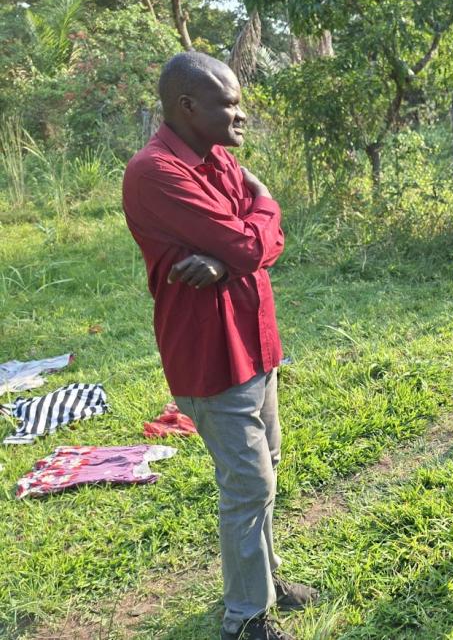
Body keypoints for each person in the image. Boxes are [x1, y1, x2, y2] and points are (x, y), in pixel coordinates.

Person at [123, 52, 315, 640]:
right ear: (187, 107)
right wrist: (263, 209)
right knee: (248, 484)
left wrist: (234, 253)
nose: (241, 115)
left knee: (266, 470)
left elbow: (258, 246)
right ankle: (246, 617)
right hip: (211, 354)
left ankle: (265, 579)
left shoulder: (219, 159)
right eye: (229, 104)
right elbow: (252, 242)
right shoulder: (155, 172)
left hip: (255, 341)